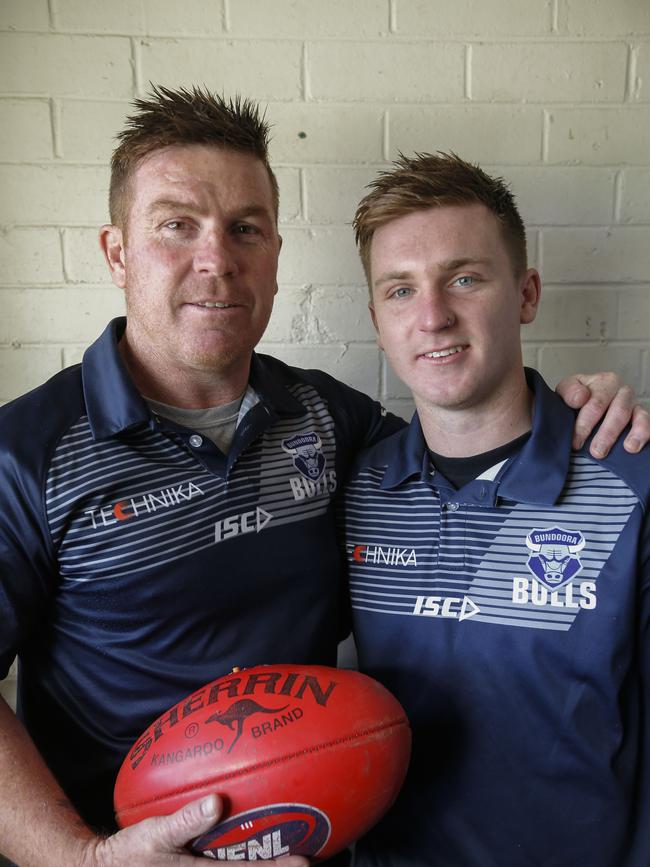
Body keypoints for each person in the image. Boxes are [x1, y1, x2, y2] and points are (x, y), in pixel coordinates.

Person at [0, 88, 645, 867]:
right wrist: (82, 858)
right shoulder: (26, 454)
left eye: (245, 228)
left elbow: (471, 449)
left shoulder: (328, 423)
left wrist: (587, 418)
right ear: (115, 252)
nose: (216, 259)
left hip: (324, 839)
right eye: (177, 225)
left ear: (275, 253)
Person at [342, 152, 650, 867]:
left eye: (465, 278)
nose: (433, 315)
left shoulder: (628, 481)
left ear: (527, 293)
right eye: (399, 290)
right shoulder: (359, 489)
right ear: (376, 321)